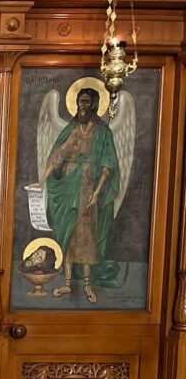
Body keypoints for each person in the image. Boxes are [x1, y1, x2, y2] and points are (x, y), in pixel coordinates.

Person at [29, 87, 120, 304]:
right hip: (68, 188)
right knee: (68, 235)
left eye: (87, 102)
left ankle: (87, 285)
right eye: (80, 101)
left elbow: (108, 166)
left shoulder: (103, 132)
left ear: (95, 105)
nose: (82, 106)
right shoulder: (72, 129)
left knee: (86, 236)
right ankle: (68, 284)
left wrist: (97, 193)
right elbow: (58, 156)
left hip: (88, 189)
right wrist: (42, 181)